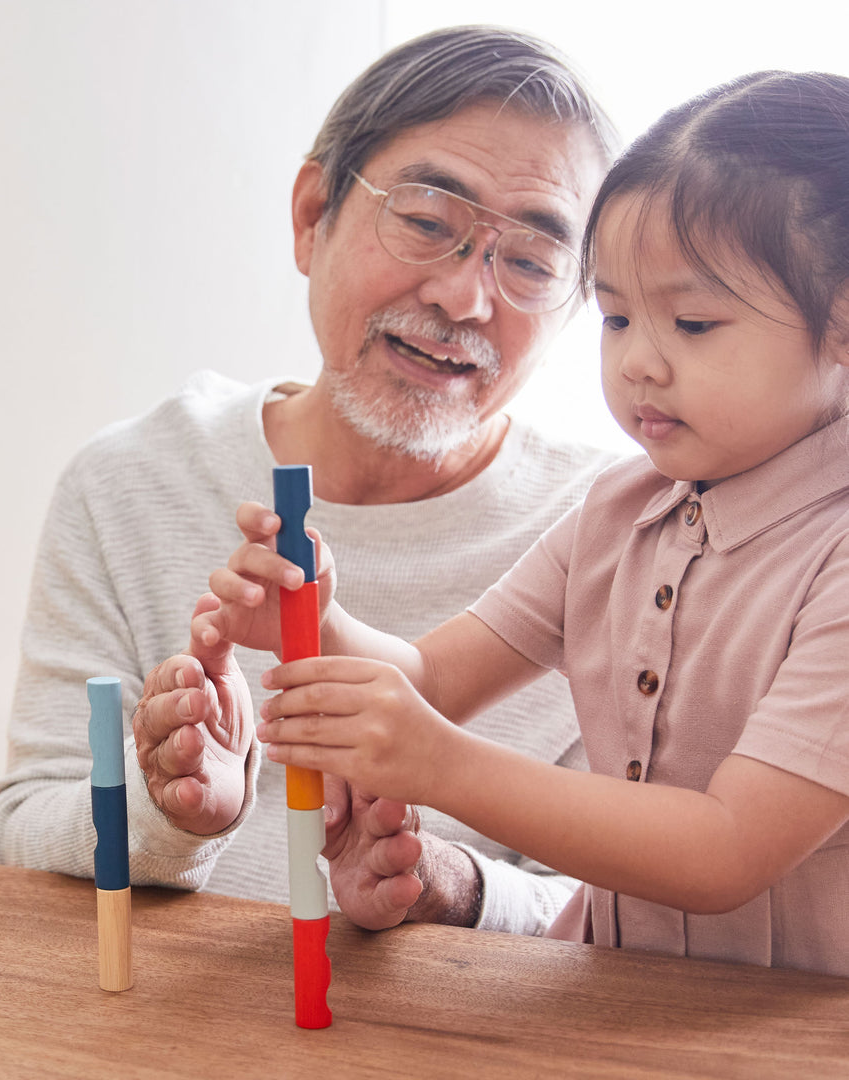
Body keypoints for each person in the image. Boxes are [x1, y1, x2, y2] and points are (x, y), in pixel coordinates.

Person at [202, 71, 849, 974]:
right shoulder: (621, 511)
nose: (638, 365)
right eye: (617, 317)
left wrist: (442, 766)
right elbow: (432, 677)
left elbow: (726, 847)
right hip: (605, 1011)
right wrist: (320, 625)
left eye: (694, 323)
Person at [0, 26, 621, 934]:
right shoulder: (130, 482)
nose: (464, 299)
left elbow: (635, 911)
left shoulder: (623, 535)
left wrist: (445, 883)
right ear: (312, 214)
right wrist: (168, 812)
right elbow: (10, 833)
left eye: (529, 263)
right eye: (429, 222)